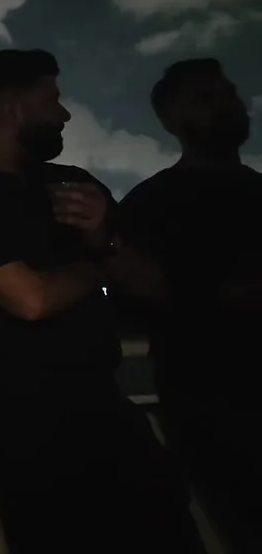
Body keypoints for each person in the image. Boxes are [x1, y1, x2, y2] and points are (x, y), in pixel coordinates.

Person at [0, 49, 204, 554]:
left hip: (102, 402)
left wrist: (103, 239)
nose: (64, 114)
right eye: (53, 100)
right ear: (14, 108)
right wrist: (99, 261)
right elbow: (30, 299)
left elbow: (154, 286)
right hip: (12, 417)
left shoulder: (77, 187)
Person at [118, 58, 262, 554]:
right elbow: (141, 295)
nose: (228, 105)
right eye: (206, 99)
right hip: (215, 407)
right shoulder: (150, 206)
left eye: (229, 94)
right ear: (171, 120)